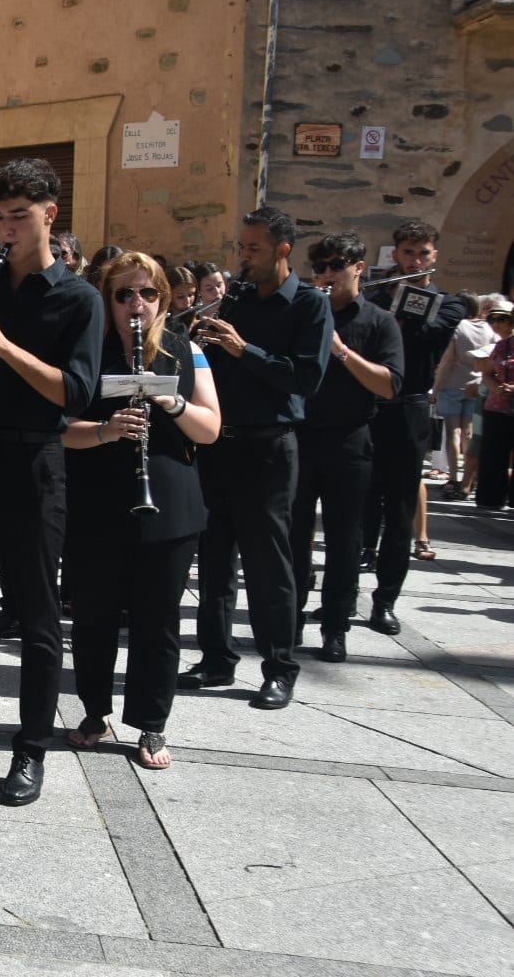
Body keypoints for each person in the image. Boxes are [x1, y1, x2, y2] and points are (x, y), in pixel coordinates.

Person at [0, 157, 102, 806]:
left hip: (36, 463)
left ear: (50, 215)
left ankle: (31, 749)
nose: (6, 230)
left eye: (19, 217)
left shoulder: (78, 299)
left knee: (36, 618)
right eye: (0, 218)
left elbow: (77, 393)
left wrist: (2, 345)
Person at [62, 252, 220, 769]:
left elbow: (211, 429)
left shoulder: (185, 350)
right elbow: (60, 430)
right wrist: (108, 430)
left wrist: (171, 403)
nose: (137, 304)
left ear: (163, 299)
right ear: (106, 299)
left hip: (169, 503)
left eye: (148, 294)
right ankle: (93, 711)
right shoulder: (86, 350)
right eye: (124, 294)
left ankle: (151, 723)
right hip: (98, 501)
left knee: (158, 620)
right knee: (93, 617)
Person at [184, 207, 331, 709]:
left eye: (253, 249)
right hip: (221, 443)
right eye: (241, 248)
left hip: (270, 447)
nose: (244, 258)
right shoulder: (237, 300)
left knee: (269, 562)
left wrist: (244, 349)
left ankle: (279, 666)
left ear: (282, 249)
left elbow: (305, 379)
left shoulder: (309, 305)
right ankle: (215, 658)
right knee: (215, 558)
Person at [292, 233, 403, 663]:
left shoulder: (378, 321)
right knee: (293, 536)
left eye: (336, 265)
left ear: (359, 266)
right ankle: (290, 621)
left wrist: (340, 351)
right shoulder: (303, 314)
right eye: (319, 266)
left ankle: (335, 627)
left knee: (344, 539)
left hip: (350, 440)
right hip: (301, 436)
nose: (326, 274)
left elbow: (391, 385)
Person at [361, 221, 467, 633]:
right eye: (408, 253)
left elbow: (428, 336)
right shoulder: (373, 296)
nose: (416, 260)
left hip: (410, 407)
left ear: (434, 256)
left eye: (423, 253)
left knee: (401, 508)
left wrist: (402, 301)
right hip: (370, 407)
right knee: (359, 501)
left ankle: (385, 600)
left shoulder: (450, 302)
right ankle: (342, 593)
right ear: (396, 255)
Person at [433, 293, 496, 500]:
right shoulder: (489, 328)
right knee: (470, 432)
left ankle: (453, 476)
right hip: (477, 385)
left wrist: (436, 386)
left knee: (453, 432)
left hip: (453, 383)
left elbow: (448, 360)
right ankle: (469, 474)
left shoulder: (458, 327)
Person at [474, 298, 514, 509]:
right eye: (493, 319)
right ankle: (491, 498)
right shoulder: (502, 345)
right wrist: (496, 387)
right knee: (492, 453)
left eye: (502, 319)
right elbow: (487, 372)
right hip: (497, 407)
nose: (496, 323)